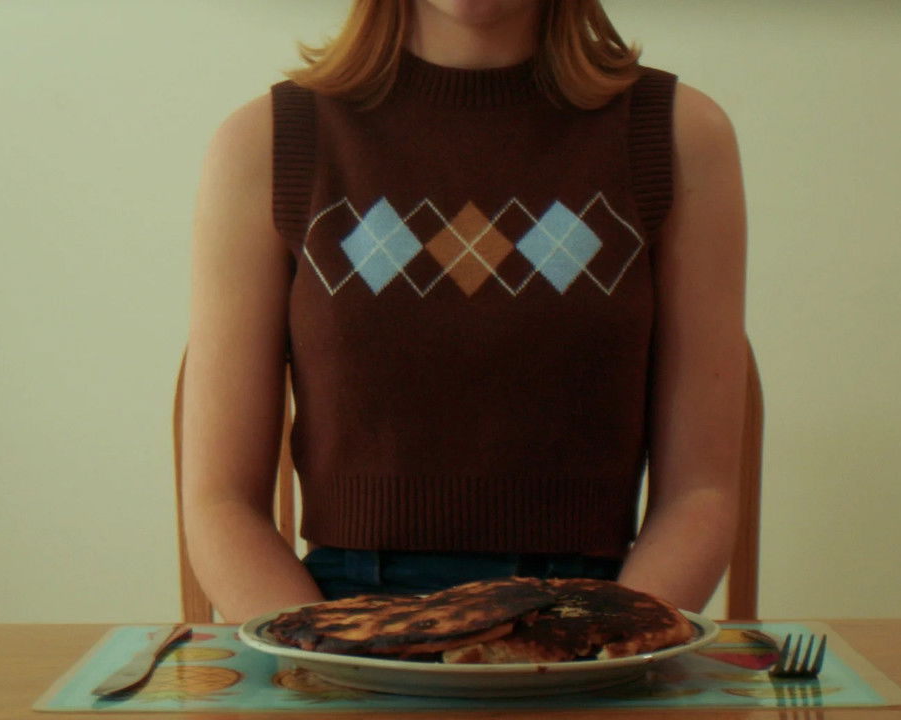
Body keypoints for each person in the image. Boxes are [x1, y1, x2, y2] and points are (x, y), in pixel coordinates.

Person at [181, 0, 748, 623]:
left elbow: (700, 494)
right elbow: (221, 503)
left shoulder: (679, 135)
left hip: (601, 614)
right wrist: (322, 652)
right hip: (336, 616)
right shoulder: (267, 140)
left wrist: (607, 644)